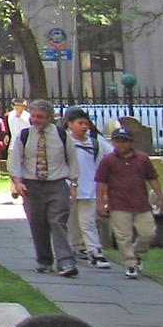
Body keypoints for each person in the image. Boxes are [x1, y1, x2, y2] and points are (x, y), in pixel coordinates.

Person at [9, 100, 78, 276]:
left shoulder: (62, 135)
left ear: (49, 117)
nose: (35, 120)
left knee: (58, 222)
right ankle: (44, 260)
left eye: (40, 116)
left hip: (57, 184)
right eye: (33, 116)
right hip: (32, 186)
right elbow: (15, 160)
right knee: (38, 224)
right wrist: (17, 182)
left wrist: (74, 183)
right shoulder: (25, 135)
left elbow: (73, 159)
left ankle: (66, 262)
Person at [97, 127, 163, 279]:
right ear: (113, 142)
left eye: (124, 141)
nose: (121, 145)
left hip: (140, 202)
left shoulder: (142, 158)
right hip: (118, 203)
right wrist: (100, 203)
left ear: (131, 143)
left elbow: (152, 178)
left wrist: (160, 196)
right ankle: (130, 263)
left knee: (148, 232)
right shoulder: (108, 160)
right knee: (123, 235)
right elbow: (101, 182)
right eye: (117, 141)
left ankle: (137, 253)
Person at [63, 108, 112, 269]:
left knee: (88, 222)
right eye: (80, 123)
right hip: (68, 187)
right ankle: (70, 250)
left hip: (89, 188)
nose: (84, 127)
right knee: (70, 223)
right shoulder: (63, 140)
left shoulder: (94, 142)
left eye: (86, 123)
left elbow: (107, 158)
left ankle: (94, 251)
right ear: (70, 124)